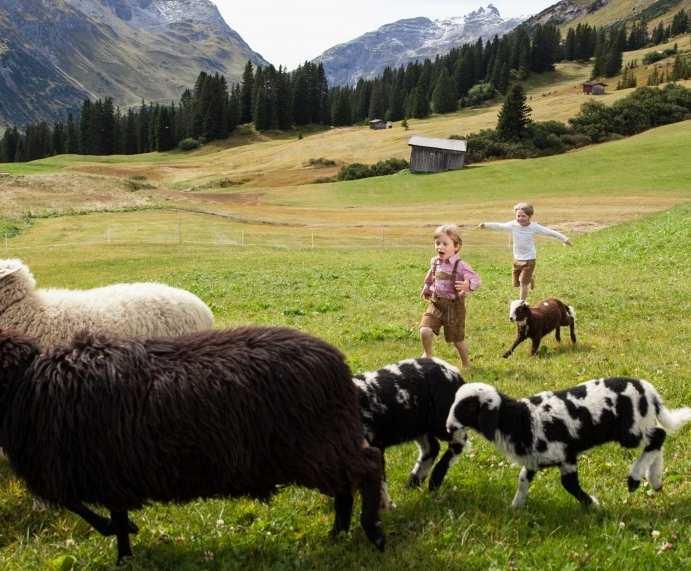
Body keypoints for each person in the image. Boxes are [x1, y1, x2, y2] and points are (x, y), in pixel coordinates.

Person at [479, 202, 572, 301]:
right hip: (517, 259)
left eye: (523, 216)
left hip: (529, 259)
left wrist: (565, 239)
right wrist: (486, 225)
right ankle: (530, 277)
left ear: (529, 216)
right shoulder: (513, 225)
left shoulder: (534, 227)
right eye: (518, 216)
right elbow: (500, 226)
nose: (520, 218)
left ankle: (521, 302)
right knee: (516, 283)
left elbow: (549, 232)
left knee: (523, 283)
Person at [420, 224, 481, 369]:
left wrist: (468, 286)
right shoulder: (435, 261)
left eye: (445, 244)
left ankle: (466, 363)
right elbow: (431, 275)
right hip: (436, 303)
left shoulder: (461, 265)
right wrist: (427, 287)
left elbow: (476, 280)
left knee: (457, 339)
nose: (440, 247)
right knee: (425, 330)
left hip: (454, 307)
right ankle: (428, 355)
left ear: (456, 246)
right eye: (437, 243)